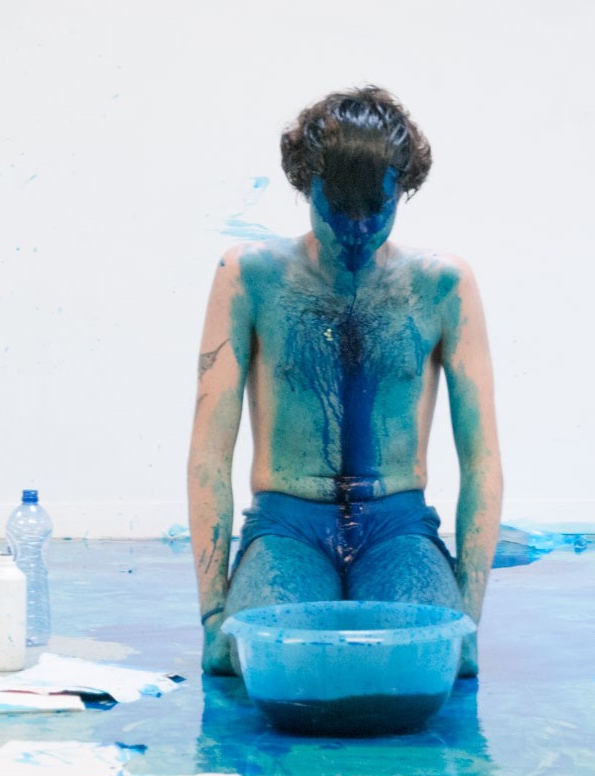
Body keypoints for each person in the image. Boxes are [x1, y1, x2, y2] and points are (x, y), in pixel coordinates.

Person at [187, 86, 503, 677]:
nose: (357, 229)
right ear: (307, 185)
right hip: (287, 522)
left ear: (401, 191)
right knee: (270, 664)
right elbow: (209, 452)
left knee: (424, 665)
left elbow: (482, 460)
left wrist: (468, 620)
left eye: (375, 210)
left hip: (398, 523)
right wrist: (211, 618)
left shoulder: (444, 286)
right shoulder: (249, 276)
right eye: (339, 208)